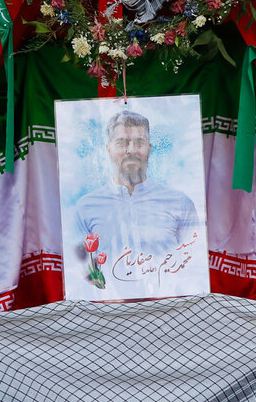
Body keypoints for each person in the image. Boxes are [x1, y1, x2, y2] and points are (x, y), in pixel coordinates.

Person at [71, 109, 202, 292]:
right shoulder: (85, 208)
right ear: (108, 149)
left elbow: (195, 268)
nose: (131, 150)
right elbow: (79, 274)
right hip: (108, 308)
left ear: (149, 148)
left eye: (139, 142)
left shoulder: (180, 203)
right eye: (122, 142)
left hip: (169, 307)